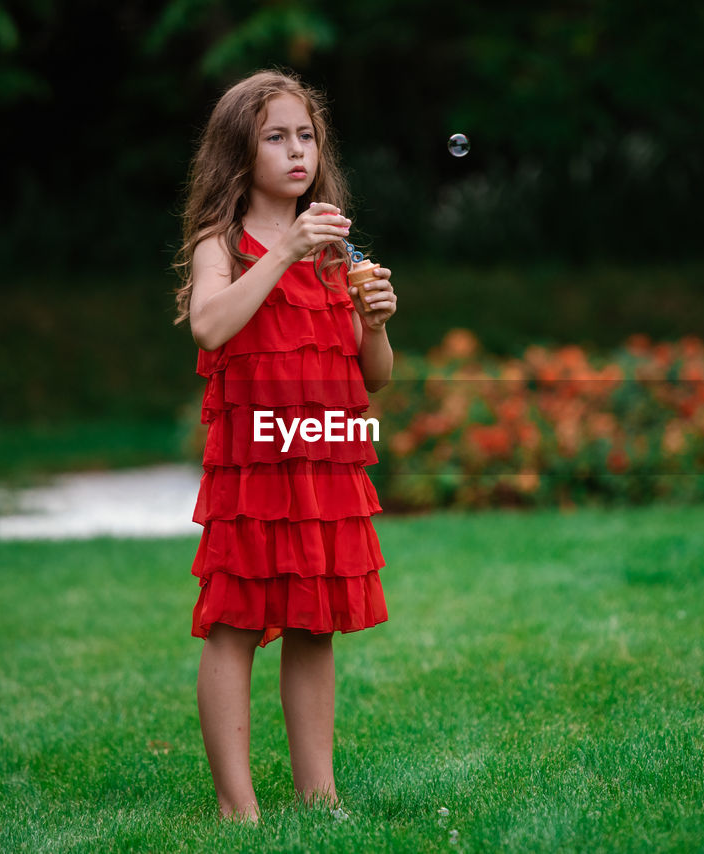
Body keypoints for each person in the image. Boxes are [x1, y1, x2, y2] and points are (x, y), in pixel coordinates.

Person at [170, 68, 397, 825]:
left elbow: (377, 378)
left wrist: (378, 319)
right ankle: (239, 808)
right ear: (241, 154)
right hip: (254, 466)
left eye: (306, 135)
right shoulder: (222, 246)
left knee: (313, 624)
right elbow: (209, 325)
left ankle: (318, 794)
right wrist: (285, 249)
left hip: (323, 463)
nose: (297, 150)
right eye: (276, 137)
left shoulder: (338, 251)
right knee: (235, 624)